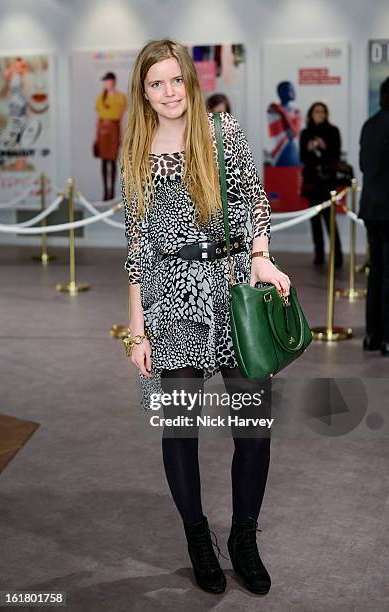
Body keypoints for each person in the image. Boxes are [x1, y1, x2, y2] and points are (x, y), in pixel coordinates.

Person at [121, 38, 291, 596]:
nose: (168, 92)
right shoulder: (136, 152)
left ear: (189, 82)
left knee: (252, 428)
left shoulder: (222, 132)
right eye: (156, 83)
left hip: (233, 290)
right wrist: (137, 330)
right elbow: (137, 246)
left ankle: (244, 537)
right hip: (171, 300)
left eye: (175, 80)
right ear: (142, 91)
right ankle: (198, 536)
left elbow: (254, 199)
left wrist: (261, 259)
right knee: (179, 430)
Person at [359, 77, 389, 356]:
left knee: (376, 271)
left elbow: (363, 165)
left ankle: (372, 335)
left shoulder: (370, 125)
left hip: (370, 208)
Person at [300, 102, 343, 267]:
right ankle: (319, 255)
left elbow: (336, 155)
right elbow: (302, 157)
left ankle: (337, 256)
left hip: (327, 182)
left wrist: (324, 147)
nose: (319, 114)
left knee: (330, 221)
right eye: (316, 112)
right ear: (311, 114)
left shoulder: (333, 131)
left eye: (322, 112)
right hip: (312, 182)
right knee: (315, 222)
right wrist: (309, 148)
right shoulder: (305, 133)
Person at [94, 72, 127, 200]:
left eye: (107, 80)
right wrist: (96, 136)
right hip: (102, 130)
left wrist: (122, 135)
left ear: (113, 81)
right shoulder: (100, 97)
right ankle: (105, 191)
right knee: (103, 160)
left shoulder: (121, 97)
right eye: (105, 81)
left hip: (114, 128)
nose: (106, 83)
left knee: (113, 160)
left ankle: (112, 190)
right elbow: (97, 118)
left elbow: (123, 118)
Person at [267, 81, 301, 166]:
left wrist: (283, 113)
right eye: (290, 90)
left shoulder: (295, 110)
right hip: (279, 150)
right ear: (281, 93)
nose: (293, 93)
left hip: (292, 148)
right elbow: (275, 133)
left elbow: (293, 133)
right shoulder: (273, 110)